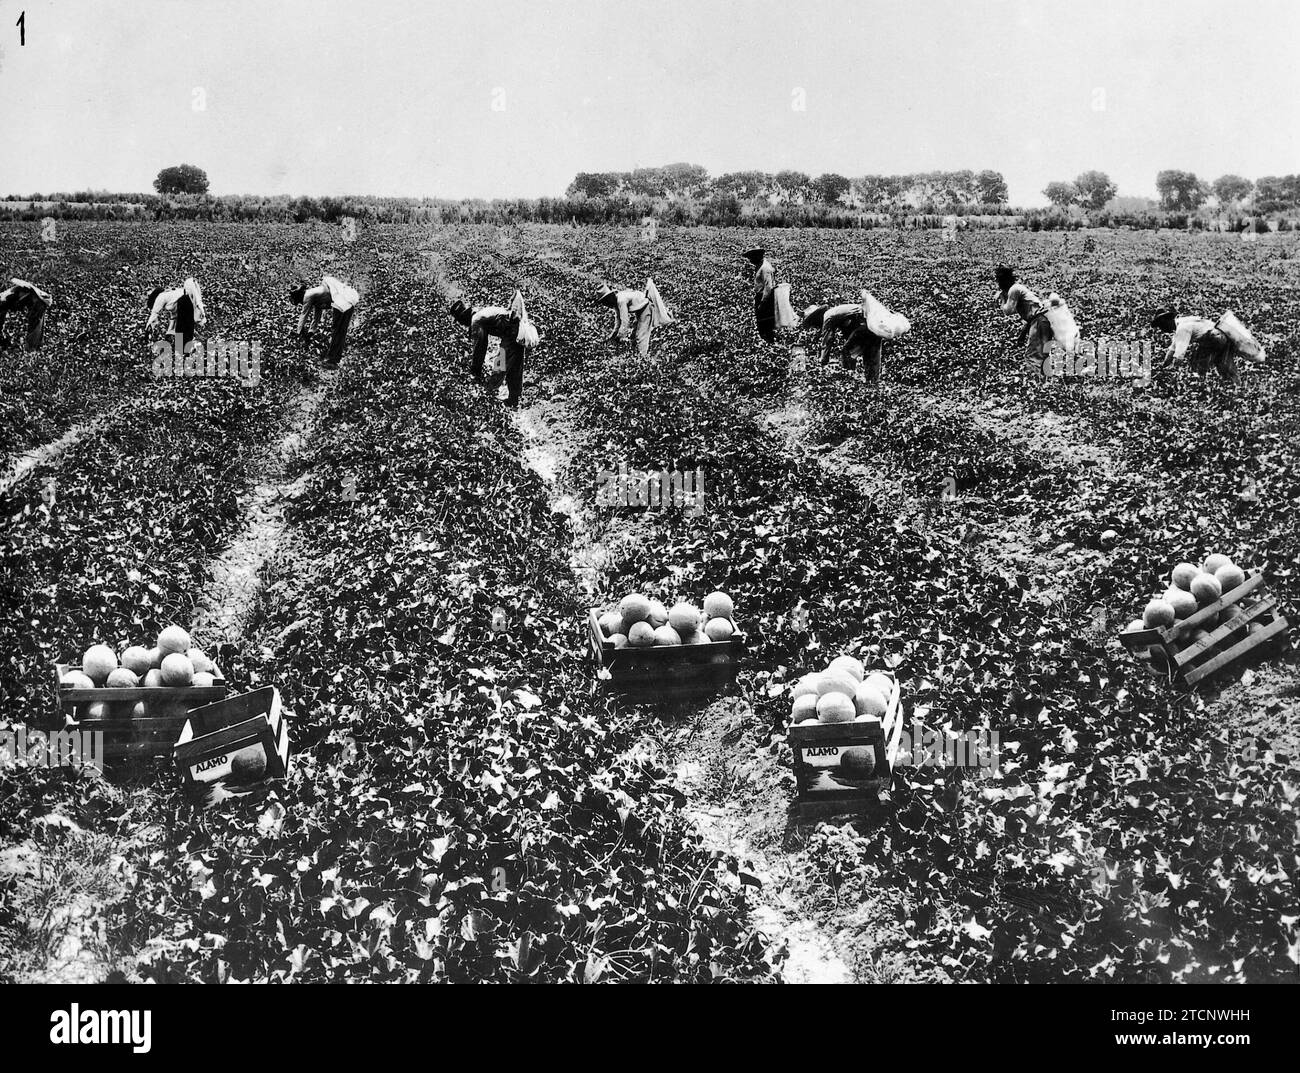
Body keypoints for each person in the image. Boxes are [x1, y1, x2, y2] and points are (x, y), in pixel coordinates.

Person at [448, 297, 535, 407]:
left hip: (512, 333)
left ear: (462, 317)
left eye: (460, 321)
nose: (462, 324)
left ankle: (486, 400)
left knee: (499, 366)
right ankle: (514, 400)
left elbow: (480, 347)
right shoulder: (480, 312)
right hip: (517, 332)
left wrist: (475, 372)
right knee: (514, 367)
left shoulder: (476, 320)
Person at [1150, 309, 1264, 385]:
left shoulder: (1182, 329)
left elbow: (1179, 355)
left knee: (1196, 364)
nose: (1162, 330)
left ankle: (1198, 386)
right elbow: (1172, 349)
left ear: (1167, 321)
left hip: (1214, 338)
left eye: (1161, 326)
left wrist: (1172, 371)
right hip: (1222, 336)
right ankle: (1237, 386)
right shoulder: (1183, 322)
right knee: (1224, 365)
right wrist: (1163, 366)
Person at [290, 275, 359, 367]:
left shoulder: (308, 295)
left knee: (337, 330)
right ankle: (336, 358)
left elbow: (304, 315)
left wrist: (298, 332)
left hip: (341, 301)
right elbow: (316, 317)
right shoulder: (317, 299)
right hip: (348, 301)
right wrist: (311, 332)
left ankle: (331, 360)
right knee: (341, 331)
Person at [994, 264, 1053, 370]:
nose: (999, 285)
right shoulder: (1018, 288)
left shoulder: (1014, 289)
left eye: (1000, 281)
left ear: (1005, 280)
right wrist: (1022, 336)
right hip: (1043, 321)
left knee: (1032, 358)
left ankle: (1036, 383)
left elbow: (1008, 311)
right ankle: (1045, 382)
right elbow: (1032, 317)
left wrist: (1002, 298)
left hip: (1040, 322)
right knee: (1042, 356)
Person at [146, 277, 205, 352]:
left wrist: (148, 327)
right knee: (185, 327)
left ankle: (184, 348)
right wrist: (169, 333)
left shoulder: (160, 297)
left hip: (185, 302)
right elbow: (173, 317)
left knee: (182, 328)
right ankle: (186, 347)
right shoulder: (170, 295)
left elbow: (154, 313)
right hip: (187, 304)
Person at [594, 284, 654, 357]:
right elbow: (618, 322)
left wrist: (619, 337)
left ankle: (643, 357)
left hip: (646, 306)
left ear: (610, 297)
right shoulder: (615, 303)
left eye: (606, 300)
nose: (606, 304)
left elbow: (625, 322)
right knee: (633, 336)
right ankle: (635, 355)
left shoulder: (621, 300)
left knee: (641, 335)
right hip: (639, 308)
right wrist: (612, 336)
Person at [0, 278, 53, 350]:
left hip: (38, 300)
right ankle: (35, 346)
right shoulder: (6, 296)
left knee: (35, 325)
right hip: (37, 299)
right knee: (37, 325)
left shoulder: (5, 298)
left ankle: (32, 347)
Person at [743, 247, 777, 343]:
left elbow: (768, 287)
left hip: (765, 299)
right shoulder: (760, 265)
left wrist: (763, 302)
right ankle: (766, 342)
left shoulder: (765, 268)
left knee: (765, 323)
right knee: (761, 322)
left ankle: (768, 343)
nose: (750, 260)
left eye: (751, 257)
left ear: (757, 256)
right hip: (761, 297)